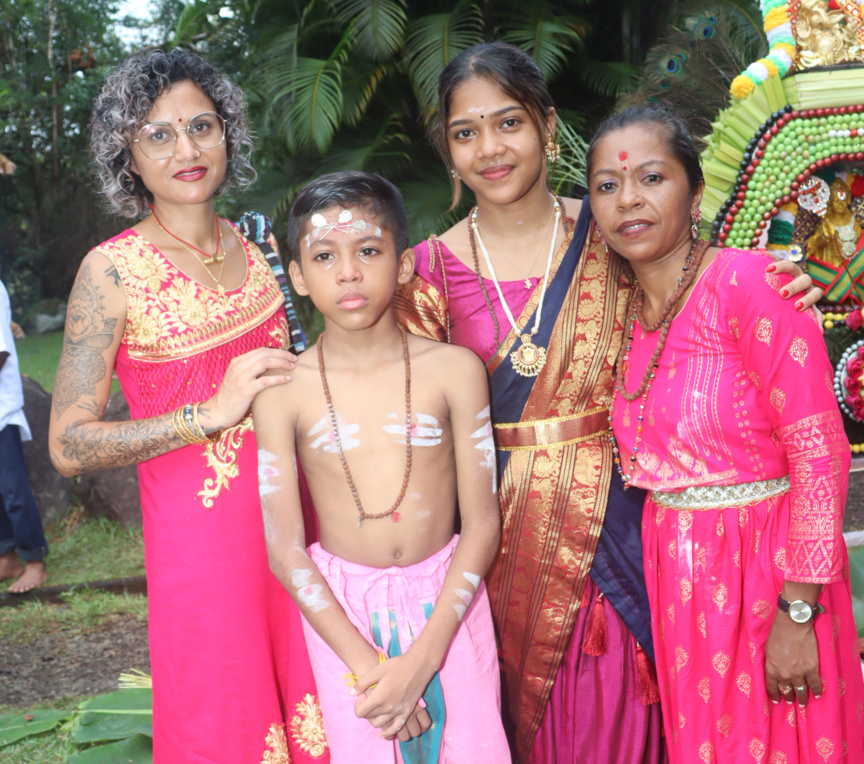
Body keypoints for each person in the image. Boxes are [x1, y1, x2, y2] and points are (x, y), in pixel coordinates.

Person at [391, 42, 823, 764]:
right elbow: (410, 431)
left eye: (509, 123)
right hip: (506, 549)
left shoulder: (618, 230)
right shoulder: (426, 272)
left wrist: (785, 281)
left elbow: (705, 294)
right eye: (466, 133)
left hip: (634, 536)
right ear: (447, 151)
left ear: (548, 128)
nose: (490, 149)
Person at [47, 49, 328, 764]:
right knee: (227, 727)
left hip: (304, 527)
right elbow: (68, 444)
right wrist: (203, 414)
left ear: (228, 132)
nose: (188, 149)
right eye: (158, 135)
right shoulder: (110, 272)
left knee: (323, 712)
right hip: (205, 559)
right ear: (128, 157)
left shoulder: (261, 243)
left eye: (202, 126)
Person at [597, 105, 864, 762]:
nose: (628, 198)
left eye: (651, 178)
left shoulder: (751, 286)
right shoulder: (615, 314)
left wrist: (798, 615)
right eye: (606, 185)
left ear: (695, 191)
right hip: (679, 585)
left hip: (772, 576)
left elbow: (819, 457)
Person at [252, 171, 510, 763]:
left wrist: (421, 661)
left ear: (402, 265)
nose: (348, 272)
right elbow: (285, 551)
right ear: (297, 276)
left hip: (452, 605)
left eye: (368, 250)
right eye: (324, 256)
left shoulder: (454, 371)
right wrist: (371, 670)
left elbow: (482, 524)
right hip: (343, 621)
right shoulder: (281, 392)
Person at [0, 277, 48, 594]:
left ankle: (35, 563)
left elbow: (0, 352)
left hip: (0, 411)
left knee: (13, 490)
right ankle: (7, 559)